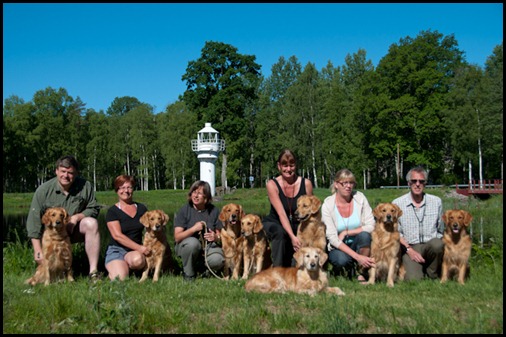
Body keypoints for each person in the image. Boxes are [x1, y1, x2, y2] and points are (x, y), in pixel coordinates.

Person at [26, 155, 102, 281]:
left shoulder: (85, 186)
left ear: (76, 173)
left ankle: (93, 272)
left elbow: (93, 208)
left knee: (92, 223)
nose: (66, 176)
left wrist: (76, 217)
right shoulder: (43, 190)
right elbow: (34, 221)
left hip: (73, 230)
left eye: (70, 173)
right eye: (63, 171)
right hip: (52, 236)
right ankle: (53, 274)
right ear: (56, 171)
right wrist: (37, 249)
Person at [321, 169, 375, 283]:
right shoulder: (327, 205)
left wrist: (346, 232)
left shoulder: (360, 198)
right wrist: (357, 257)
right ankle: (347, 269)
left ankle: (362, 272)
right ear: (336, 184)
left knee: (365, 235)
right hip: (338, 246)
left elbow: (371, 225)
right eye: (344, 183)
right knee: (341, 260)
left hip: (358, 243)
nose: (348, 186)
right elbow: (332, 238)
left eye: (351, 183)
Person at [262, 149, 314, 267]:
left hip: (297, 224)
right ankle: (277, 270)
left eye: (292, 165)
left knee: (294, 265)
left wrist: (302, 235)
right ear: (279, 166)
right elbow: (281, 214)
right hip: (276, 222)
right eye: (285, 165)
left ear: (296, 165)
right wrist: (293, 237)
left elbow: (310, 213)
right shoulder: (272, 184)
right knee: (280, 232)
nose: (288, 169)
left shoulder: (306, 184)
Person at [392, 166, 444, 281]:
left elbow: (441, 230)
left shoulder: (436, 202)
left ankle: (432, 274)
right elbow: (395, 232)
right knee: (413, 279)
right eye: (414, 181)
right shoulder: (397, 203)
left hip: (430, 244)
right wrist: (409, 250)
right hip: (410, 247)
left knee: (437, 244)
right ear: (409, 183)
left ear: (425, 184)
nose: (417, 184)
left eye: (421, 181)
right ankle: (419, 271)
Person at [174, 180, 224, 282]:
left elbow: (220, 235)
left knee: (219, 259)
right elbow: (177, 237)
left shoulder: (214, 211)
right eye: (194, 192)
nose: (196, 196)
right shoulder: (185, 209)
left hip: (208, 248)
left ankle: (204, 270)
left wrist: (215, 237)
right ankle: (189, 275)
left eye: (200, 193)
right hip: (186, 247)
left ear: (206, 197)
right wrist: (193, 229)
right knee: (193, 243)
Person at [104, 175, 150, 281]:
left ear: (133, 189)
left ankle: (128, 267)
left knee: (138, 260)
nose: (126, 191)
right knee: (121, 279)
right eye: (122, 188)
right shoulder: (112, 212)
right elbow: (117, 236)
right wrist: (139, 248)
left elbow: (151, 229)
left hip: (134, 252)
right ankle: (116, 268)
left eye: (129, 187)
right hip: (117, 250)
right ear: (117, 190)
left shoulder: (142, 208)